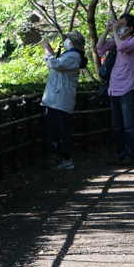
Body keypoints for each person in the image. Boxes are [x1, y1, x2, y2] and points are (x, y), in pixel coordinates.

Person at [96, 13, 134, 166]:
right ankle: (120, 155)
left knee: (129, 125)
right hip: (113, 89)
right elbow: (100, 48)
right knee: (117, 126)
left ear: (130, 28)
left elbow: (122, 47)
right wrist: (108, 30)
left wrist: (115, 32)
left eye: (121, 24)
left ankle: (131, 156)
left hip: (127, 88)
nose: (118, 26)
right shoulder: (116, 41)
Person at [41, 31, 88, 170]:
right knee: (56, 129)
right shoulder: (70, 56)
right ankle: (64, 159)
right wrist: (50, 53)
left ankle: (67, 159)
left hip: (60, 99)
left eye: (66, 39)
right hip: (56, 97)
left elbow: (55, 64)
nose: (65, 41)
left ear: (72, 42)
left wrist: (47, 52)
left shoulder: (73, 56)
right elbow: (55, 65)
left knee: (62, 129)